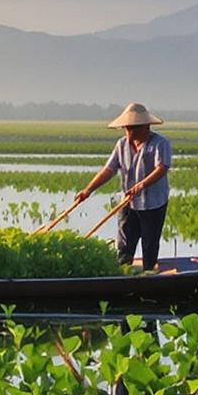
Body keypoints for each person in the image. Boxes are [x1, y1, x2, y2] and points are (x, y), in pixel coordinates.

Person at [69, 101, 173, 270]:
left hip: (153, 203)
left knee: (149, 244)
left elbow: (162, 168)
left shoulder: (160, 143)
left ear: (145, 126)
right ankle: (122, 273)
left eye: (132, 128)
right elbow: (109, 170)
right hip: (128, 202)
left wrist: (142, 185)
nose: (128, 132)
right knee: (124, 245)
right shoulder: (122, 144)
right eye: (126, 128)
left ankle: (149, 274)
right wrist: (88, 190)